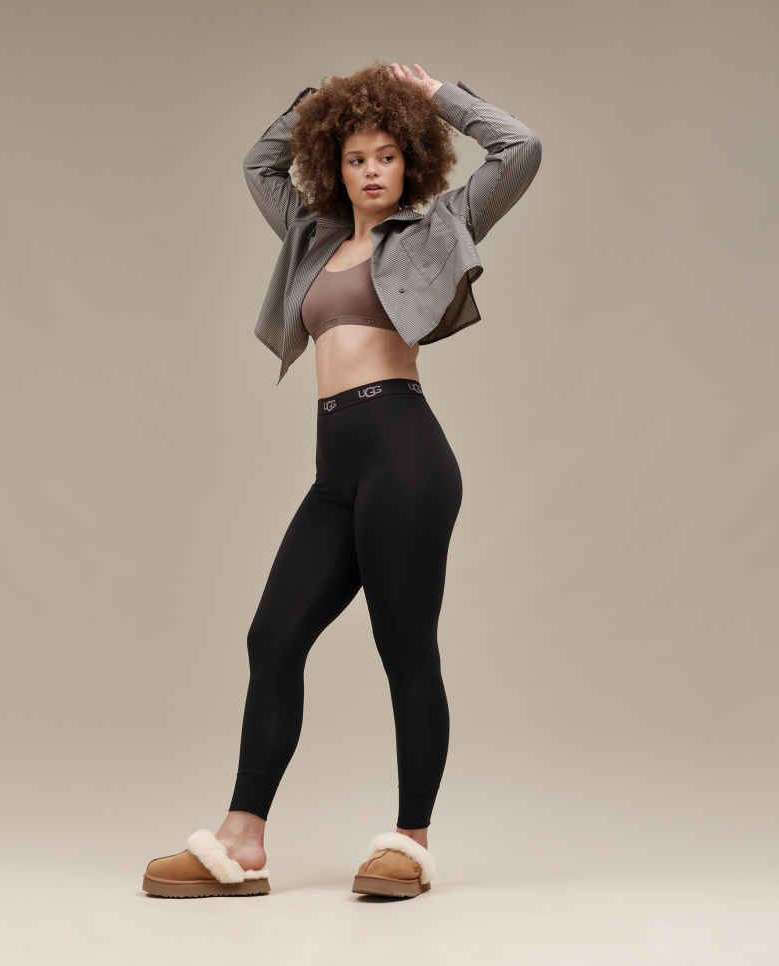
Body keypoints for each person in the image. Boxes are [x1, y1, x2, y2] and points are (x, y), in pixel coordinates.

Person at [142, 60, 541, 899]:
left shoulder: (438, 227)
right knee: (272, 638)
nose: (371, 171)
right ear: (335, 164)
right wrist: (311, 106)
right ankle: (241, 845)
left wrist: (438, 98)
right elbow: (258, 166)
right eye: (355, 156)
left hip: (406, 456)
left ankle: (409, 843)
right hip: (337, 468)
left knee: (405, 649)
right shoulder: (311, 235)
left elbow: (521, 150)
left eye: (386, 155)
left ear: (411, 161)